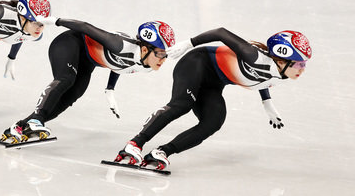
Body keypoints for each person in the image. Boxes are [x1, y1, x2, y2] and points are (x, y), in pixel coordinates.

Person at [114, 28, 312, 170]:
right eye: (299, 64)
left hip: (213, 83)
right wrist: (188, 44)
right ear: (281, 60)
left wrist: (267, 103)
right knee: (182, 104)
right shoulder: (254, 57)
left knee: (213, 122)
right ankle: (134, 144)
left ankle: (162, 152)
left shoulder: (284, 73)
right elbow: (221, 33)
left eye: (304, 64)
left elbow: (264, 80)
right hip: (195, 63)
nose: (302, 69)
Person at [0, 18, 176, 143]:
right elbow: (84, 26)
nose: (163, 59)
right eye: (160, 54)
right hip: (69, 43)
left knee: (75, 93)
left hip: (88, 60)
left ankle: (23, 126)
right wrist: (55, 21)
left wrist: (110, 89)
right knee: (66, 79)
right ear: (145, 50)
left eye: (165, 55)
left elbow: (121, 65)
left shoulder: (147, 64)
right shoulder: (119, 44)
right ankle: (36, 120)